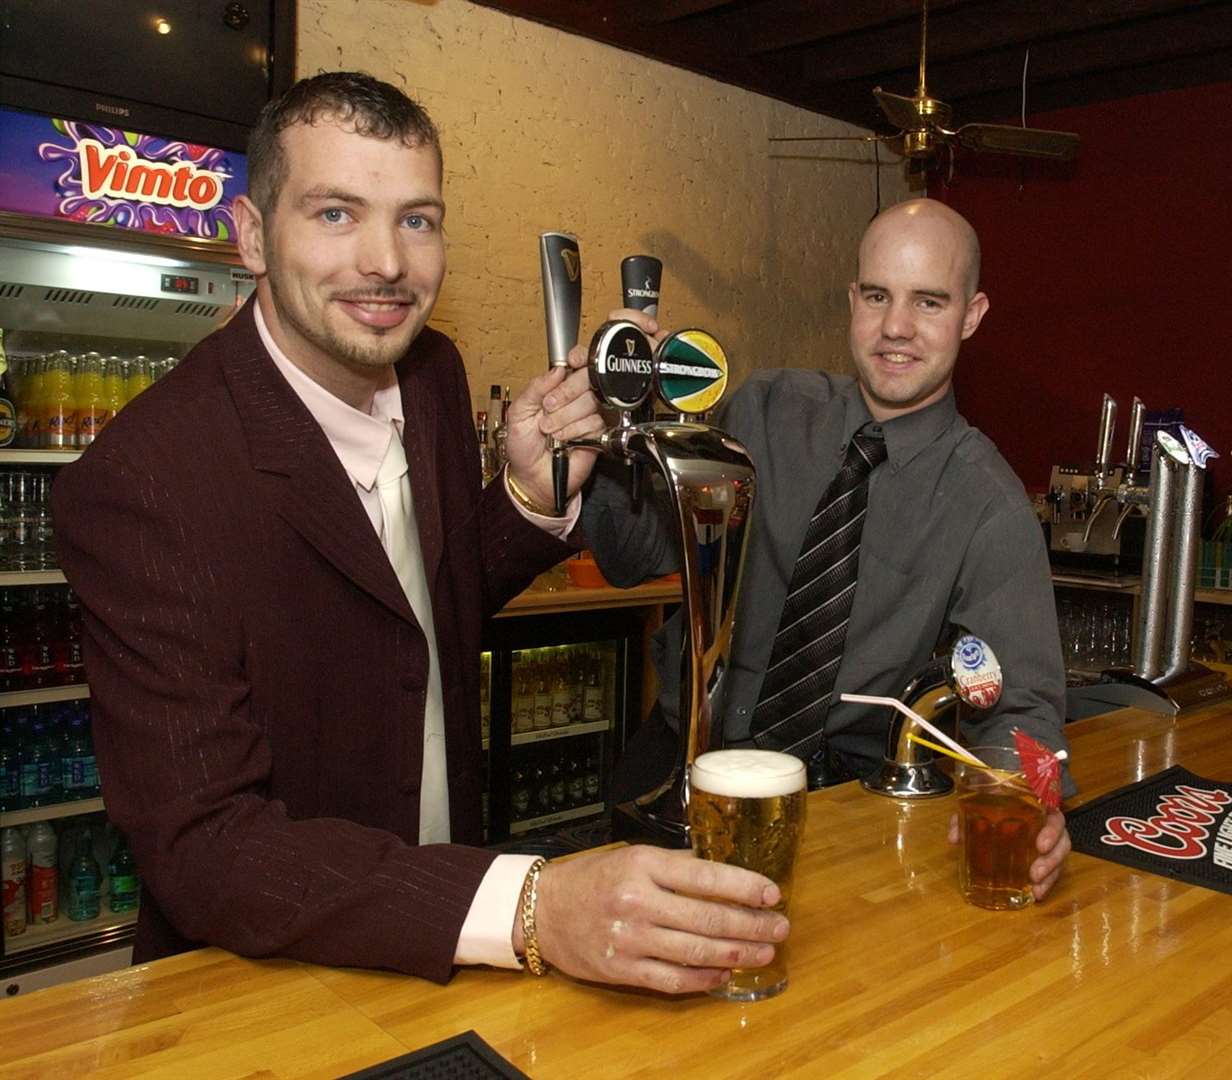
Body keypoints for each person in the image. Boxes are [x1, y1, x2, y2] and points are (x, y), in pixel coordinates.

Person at [52, 71, 787, 992]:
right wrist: (531, 908)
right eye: (334, 214)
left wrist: (526, 493)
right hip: (258, 986)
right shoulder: (142, 479)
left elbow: (421, 617)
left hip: (440, 940)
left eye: (417, 219)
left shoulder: (431, 373)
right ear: (249, 236)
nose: (387, 263)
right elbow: (205, 849)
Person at [582, 198, 1073, 898]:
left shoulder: (988, 504)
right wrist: (616, 414)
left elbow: (1018, 704)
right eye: (877, 296)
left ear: (972, 315)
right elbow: (632, 556)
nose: (895, 328)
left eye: (929, 303)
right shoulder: (764, 410)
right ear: (853, 299)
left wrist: (1030, 800)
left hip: (838, 807)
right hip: (677, 774)